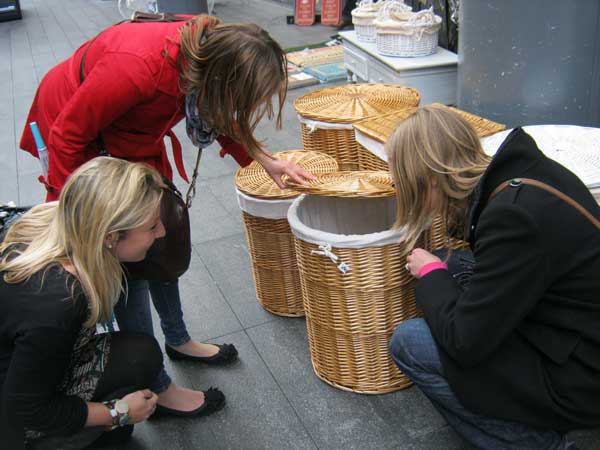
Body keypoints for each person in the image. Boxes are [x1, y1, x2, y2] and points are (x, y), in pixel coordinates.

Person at [18, 15, 314, 416]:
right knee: (130, 260)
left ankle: (177, 338)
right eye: (246, 97)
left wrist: (265, 160)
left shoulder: (207, 52)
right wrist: (72, 218)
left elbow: (222, 113)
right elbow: (67, 135)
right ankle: (155, 385)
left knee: (162, 235)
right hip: (84, 137)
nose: (246, 108)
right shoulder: (137, 68)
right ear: (224, 79)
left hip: (133, 133)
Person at [386, 105, 600, 450]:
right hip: (575, 328)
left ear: (429, 181)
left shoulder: (512, 218)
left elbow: (464, 342)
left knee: (410, 342)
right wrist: (443, 268)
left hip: (583, 373)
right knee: (450, 265)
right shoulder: (525, 172)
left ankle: (536, 443)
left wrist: (429, 275)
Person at [0, 158, 199, 450]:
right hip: (13, 419)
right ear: (109, 236)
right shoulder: (60, 302)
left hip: (23, 372)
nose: (162, 234)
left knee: (139, 357)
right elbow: (24, 410)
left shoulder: (55, 223)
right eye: (152, 226)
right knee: (118, 429)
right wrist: (117, 412)